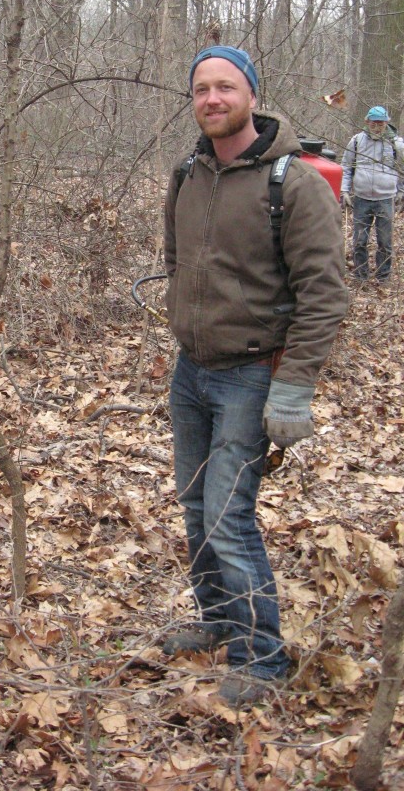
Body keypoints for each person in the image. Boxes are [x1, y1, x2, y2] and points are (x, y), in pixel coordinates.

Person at [162, 46, 348, 707]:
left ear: (252, 94)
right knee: (193, 503)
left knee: (227, 516)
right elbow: (176, 258)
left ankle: (261, 656)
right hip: (192, 372)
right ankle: (217, 621)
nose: (212, 99)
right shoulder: (187, 172)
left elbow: (325, 295)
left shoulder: (291, 183)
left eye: (226, 87)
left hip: (251, 375)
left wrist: (293, 388)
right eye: (201, 89)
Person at [340, 105, 404, 284]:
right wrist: (344, 191)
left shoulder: (397, 144)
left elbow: (402, 168)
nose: (377, 127)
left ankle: (383, 278)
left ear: (387, 124)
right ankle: (360, 276)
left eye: (381, 124)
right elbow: (346, 167)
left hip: (386, 199)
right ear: (367, 122)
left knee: (385, 242)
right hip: (361, 198)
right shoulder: (356, 142)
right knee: (359, 241)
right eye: (374, 123)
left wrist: (401, 192)